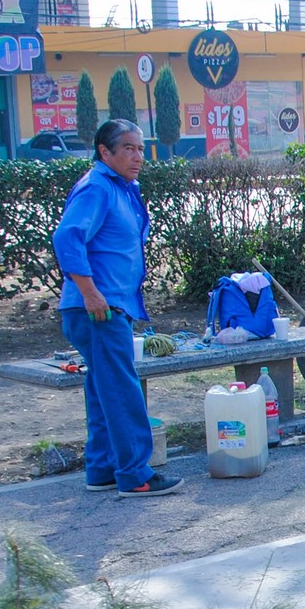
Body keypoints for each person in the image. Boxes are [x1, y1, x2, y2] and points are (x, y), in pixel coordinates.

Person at [52, 117, 182, 497]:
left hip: (109, 307)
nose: (138, 156)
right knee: (124, 390)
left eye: (141, 148)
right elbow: (67, 238)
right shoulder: (96, 187)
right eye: (128, 148)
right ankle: (135, 474)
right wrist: (91, 293)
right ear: (104, 151)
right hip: (97, 309)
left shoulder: (124, 187)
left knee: (103, 388)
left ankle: (102, 469)